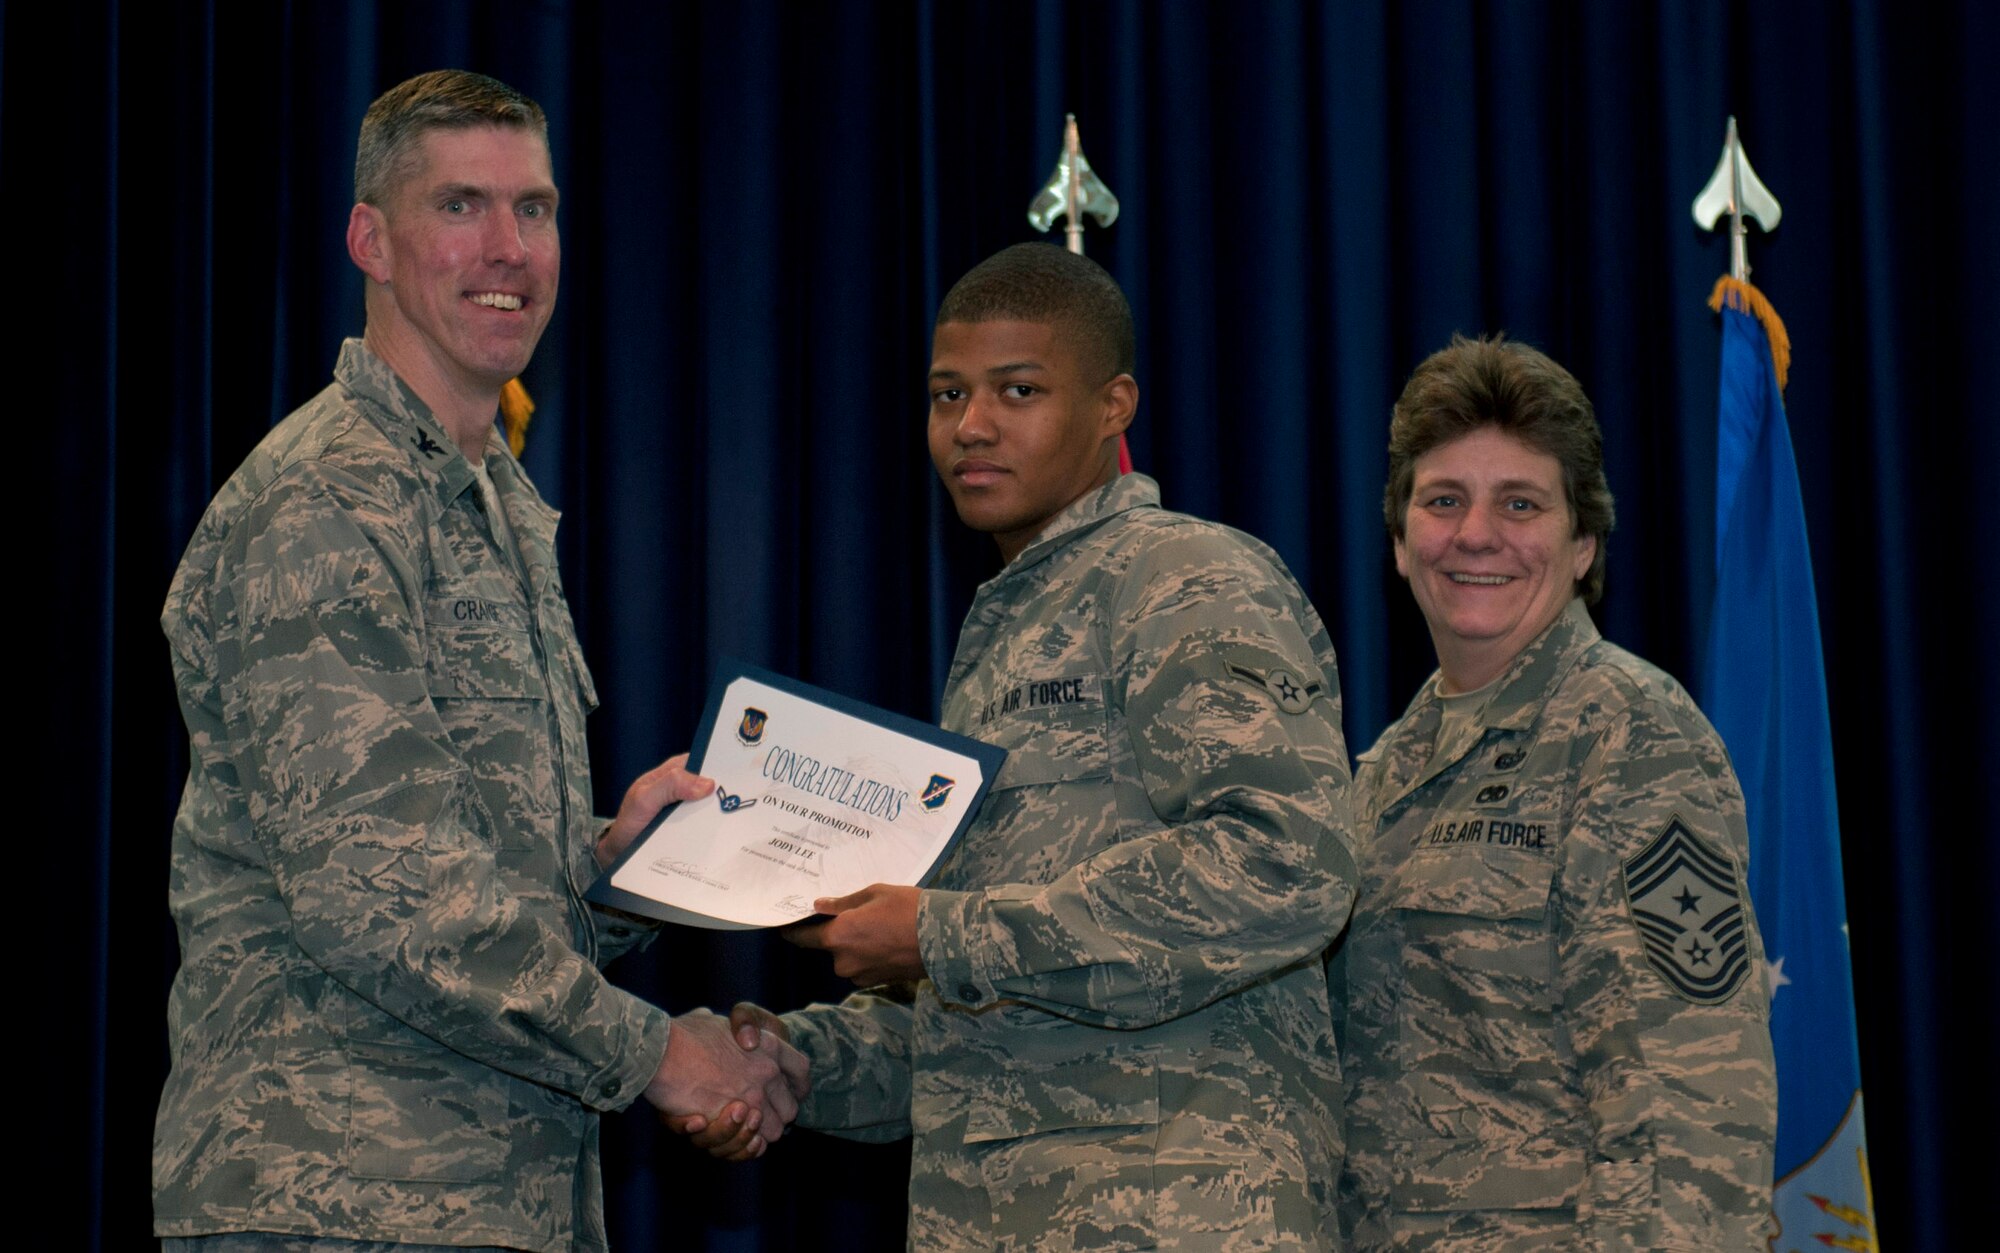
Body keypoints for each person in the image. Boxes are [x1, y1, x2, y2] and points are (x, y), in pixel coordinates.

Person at [153, 70, 805, 1253]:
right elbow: (381, 892)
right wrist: (657, 1050)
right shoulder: (322, 503)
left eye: (536, 209)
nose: (509, 249)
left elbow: (464, 860)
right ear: (373, 241)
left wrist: (610, 868)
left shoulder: (491, 500)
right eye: (460, 206)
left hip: (495, 1196)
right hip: (335, 1197)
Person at [680, 242, 1359, 1249]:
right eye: (946, 393)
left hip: (1185, 1217)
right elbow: (988, 1021)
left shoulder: (1184, 576)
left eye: (1019, 389)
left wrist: (941, 932)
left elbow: (1283, 862)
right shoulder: (1005, 628)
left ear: (1112, 404)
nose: (971, 426)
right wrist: (795, 1064)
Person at [1332, 335, 1776, 1250]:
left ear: (1582, 544)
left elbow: (1690, 1109)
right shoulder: (1377, 776)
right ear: (1400, 541)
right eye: (1443, 500)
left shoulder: (1632, 734)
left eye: (1521, 503)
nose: (1476, 533)